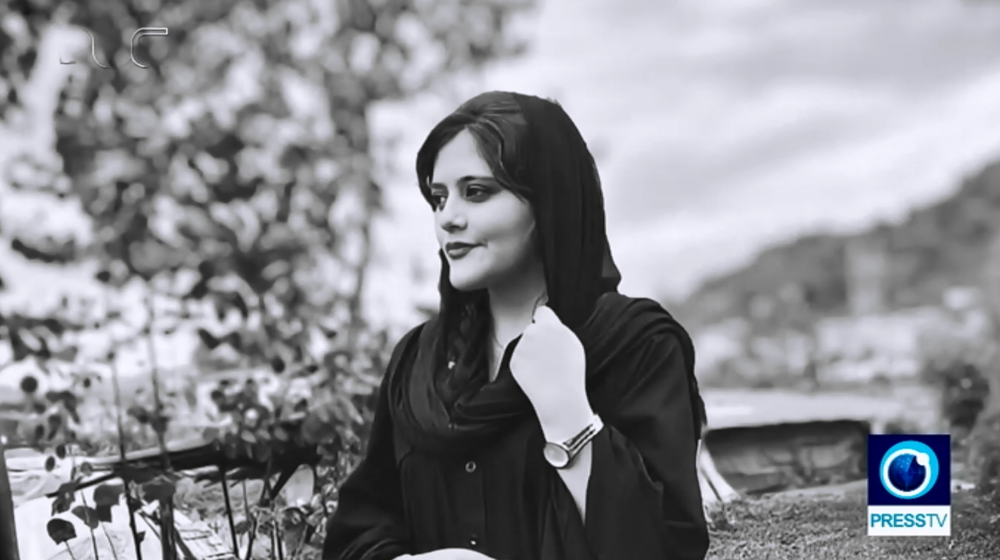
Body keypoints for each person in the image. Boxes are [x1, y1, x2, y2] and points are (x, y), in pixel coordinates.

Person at [323, 91, 709, 560]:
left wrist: (571, 417)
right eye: (439, 198)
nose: (449, 218)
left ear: (548, 201)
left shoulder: (634, 345)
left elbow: (667, 547)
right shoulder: (418, 363)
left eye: (477, 192)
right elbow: (361, 529)